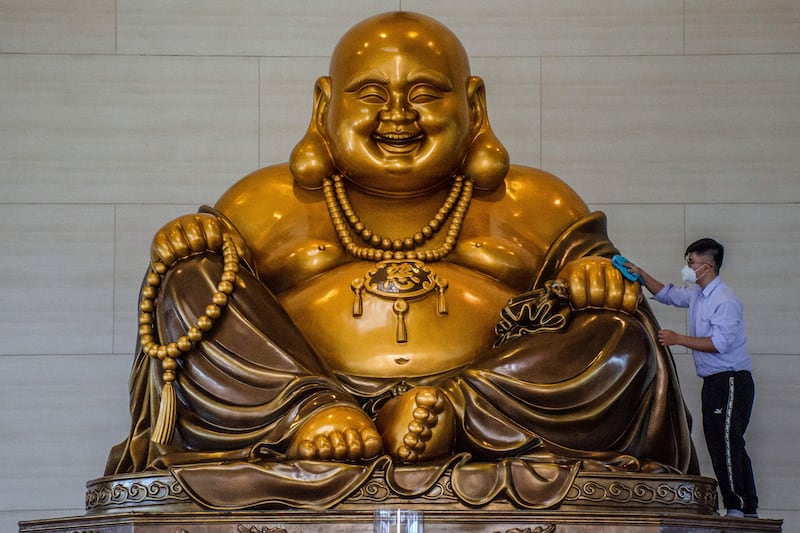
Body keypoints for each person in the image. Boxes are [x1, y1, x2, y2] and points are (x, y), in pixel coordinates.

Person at [105, 11, 697, 510]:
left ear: (474, 104)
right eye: (369, 92)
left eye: (424, 92)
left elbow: (615, 275)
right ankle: (309, 417)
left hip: (484, 395)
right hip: (299, 395)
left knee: (624, 341)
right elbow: (206, 288)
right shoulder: (265, 200)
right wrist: (192, 239)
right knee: (188, 283)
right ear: (323, 104)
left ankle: (450, 414)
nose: (398, 114)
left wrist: (594, 275)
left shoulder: (535, 200)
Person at [624, 238, 758, 518]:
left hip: (731, 380)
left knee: (727, 442)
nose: (687, 268)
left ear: (706, 267)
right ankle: (742, 505)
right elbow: (668, 294)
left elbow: (720, 343)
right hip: (713, 381)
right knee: (720, 441)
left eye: (691, 263)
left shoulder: (725, 300)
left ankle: (739, 506)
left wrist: (677, 339)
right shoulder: (698, 293)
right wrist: (640, 273)